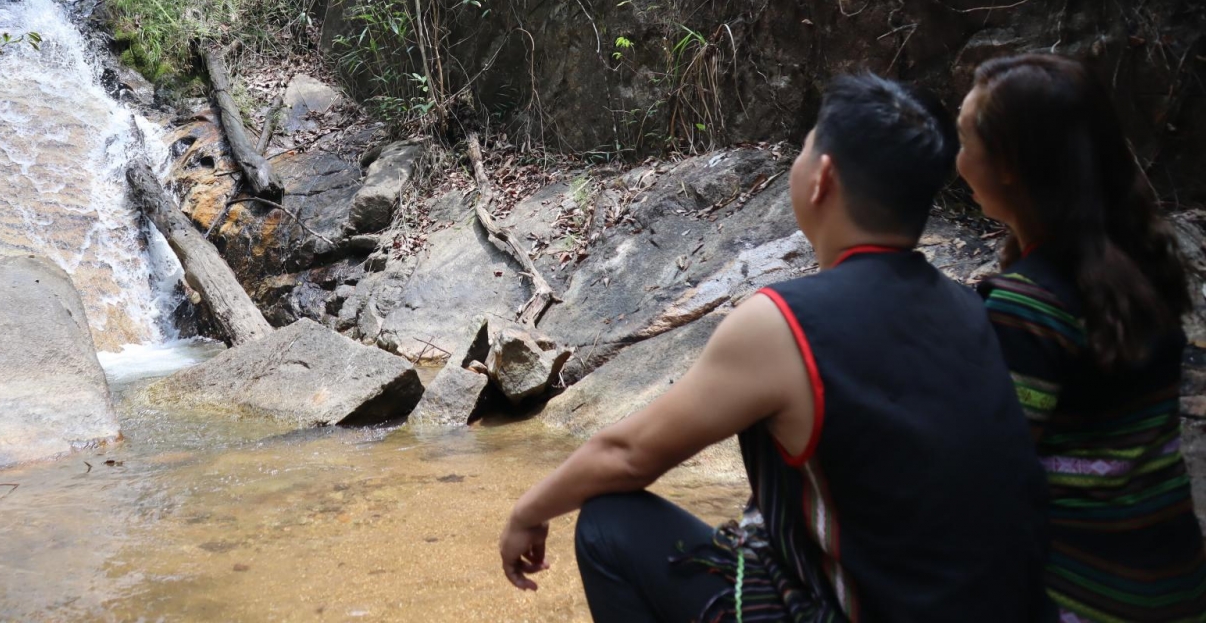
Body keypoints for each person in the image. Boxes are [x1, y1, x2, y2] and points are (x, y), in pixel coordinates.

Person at [500, 73, 1054, 623]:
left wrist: (528, 510)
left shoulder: (783, 323)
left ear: (822, 178)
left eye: (807, 145)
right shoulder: (970, 310)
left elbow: (625, 456)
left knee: (606, 523)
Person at [958, 54, 1206, 623]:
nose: (958, 161)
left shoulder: (1028, 305)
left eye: (965, 141)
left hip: (1080, 599)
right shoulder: (1140, 271)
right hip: (1172, 588)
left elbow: (986, 480)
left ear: (1010, 164)